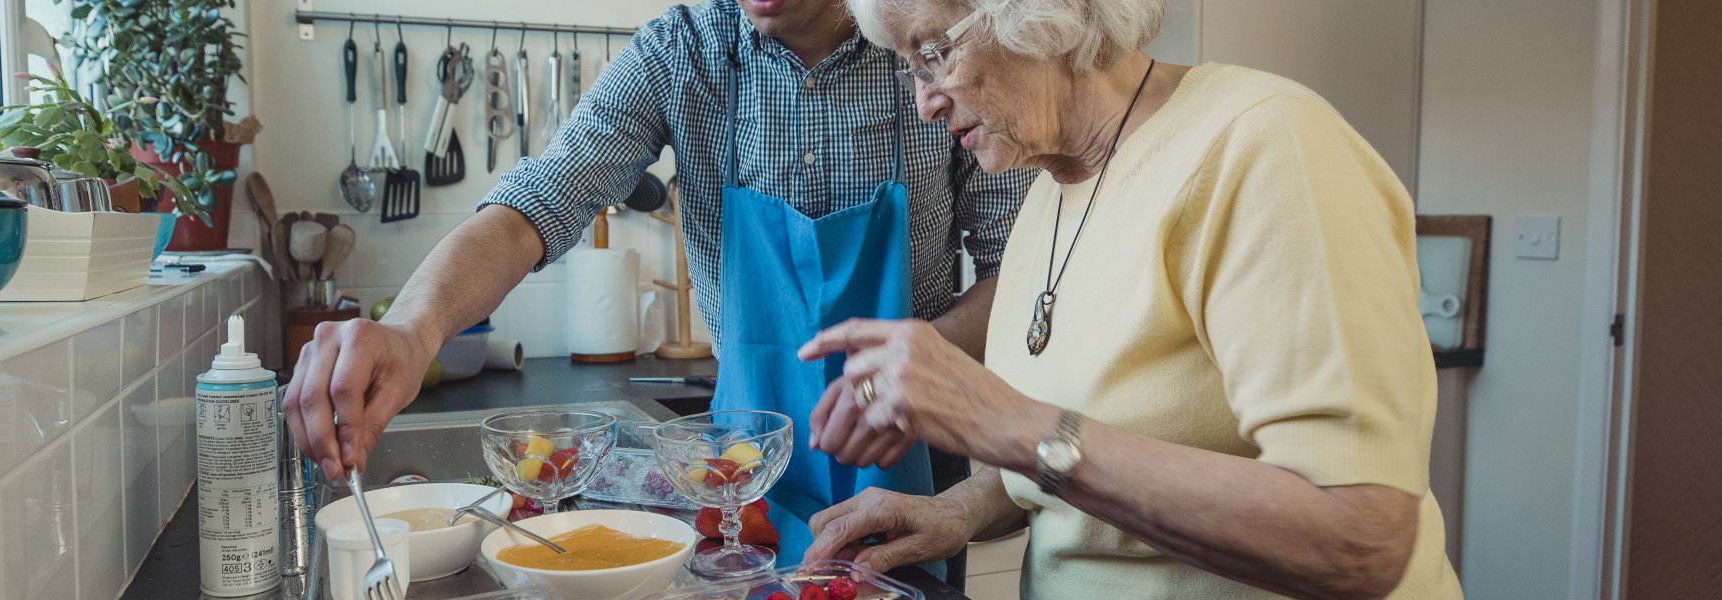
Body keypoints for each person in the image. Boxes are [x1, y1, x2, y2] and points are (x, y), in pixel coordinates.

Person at [795, 0, 1465, 598]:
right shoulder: (1046, 201)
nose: (926, 102)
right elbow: (1096, 444)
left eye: (933, 52)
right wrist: (959, 510)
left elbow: (1361, 540)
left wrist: (1014, 426)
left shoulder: (1264, 146)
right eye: (911, 68)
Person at [282, 0, 1034, 532]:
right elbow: (532, 209)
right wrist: (414, 332)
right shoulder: (683, 52)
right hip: (743, 475)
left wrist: (917, 361)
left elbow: (1021, 270)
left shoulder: (935, 48)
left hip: (914, 467)